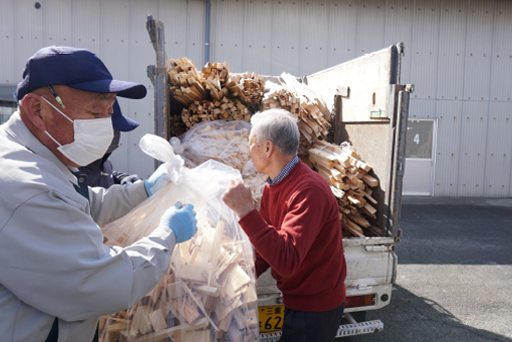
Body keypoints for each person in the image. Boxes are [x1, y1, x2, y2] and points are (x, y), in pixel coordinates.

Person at [0, 46, 198, 342]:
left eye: (109, 111)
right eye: (95, 112)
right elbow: (100, 283)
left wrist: (142, 191)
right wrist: (167, 236)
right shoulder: (24, 186)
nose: (105, 125)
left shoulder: (38, 159)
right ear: (37, 110)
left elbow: (80, 203)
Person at [222, 109, 347, 342]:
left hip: (316, 308)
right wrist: (238, 277)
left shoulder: (308, 190)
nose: (249, 151)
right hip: (299, 301)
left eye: (252, 144)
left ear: (268, 148)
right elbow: (265, 249)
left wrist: (245, 211)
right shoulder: (273, 187)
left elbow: (287, 259)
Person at [78, 100, 142, 188]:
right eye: (110, 130)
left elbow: (107, 174)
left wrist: (122, 178)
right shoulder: (72, 169)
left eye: (116, 130)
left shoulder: (103, 160)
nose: (114, 135)